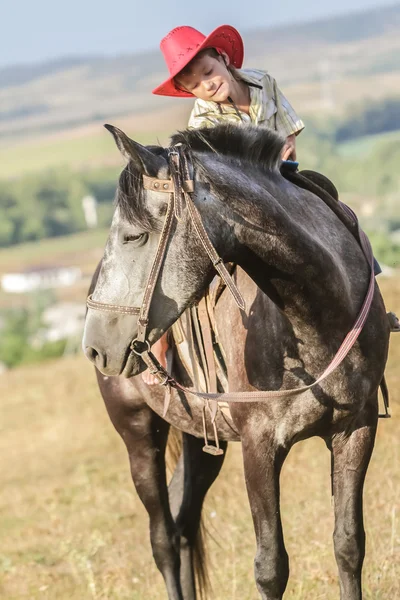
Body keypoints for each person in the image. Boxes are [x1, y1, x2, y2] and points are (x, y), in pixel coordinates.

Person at [142, 24, 397, 385]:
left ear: (224, 59)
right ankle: (164, 338)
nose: (208, 84)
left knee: (339, 211)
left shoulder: (264, 81)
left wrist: (287, 154)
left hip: (283, 176)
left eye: (209, 72)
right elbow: (222, 176)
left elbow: (289, 131)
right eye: (196, 84)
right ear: (187, 91)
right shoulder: (201, 121)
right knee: (195, 258)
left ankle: (370, 307)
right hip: (237, 199)